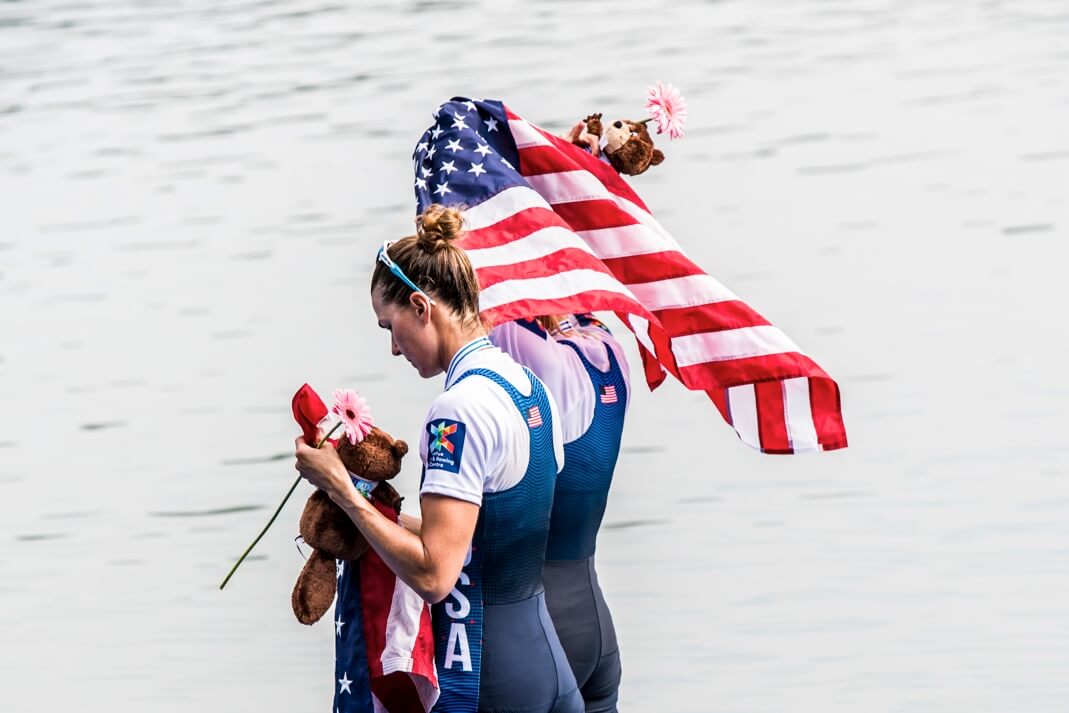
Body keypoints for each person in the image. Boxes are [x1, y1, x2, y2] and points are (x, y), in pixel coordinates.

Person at [294, 204, 583, 713]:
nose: (392, 348)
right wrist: (367, 507)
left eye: (389, 326)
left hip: (486, 678)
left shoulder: (456, 411)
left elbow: (434, 576)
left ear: (421, 307)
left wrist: (340, 489)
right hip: (546, 663)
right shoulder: (528, 386)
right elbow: (484, 529)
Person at [489, 315, 629, 713]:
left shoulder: (526, 346)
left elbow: (479, 303)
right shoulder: (608, 347)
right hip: (594, 621)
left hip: (541, 629)